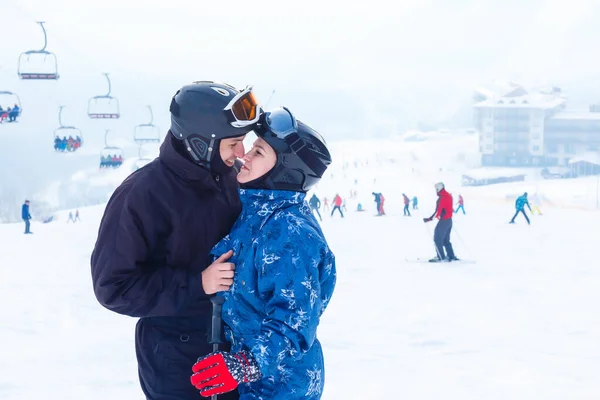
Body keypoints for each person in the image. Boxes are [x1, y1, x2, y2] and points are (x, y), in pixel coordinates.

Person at [90, 81, 261, 400]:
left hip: (233, 352)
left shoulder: (232, 177)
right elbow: (112, 287)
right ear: (201, 144)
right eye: (234, 143)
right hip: (177, 362)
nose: (241, 153)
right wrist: (198, 284)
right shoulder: (143, 195)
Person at [190, 107, 336, 399]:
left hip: (282, 385)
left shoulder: (289, 231)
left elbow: (295, 319)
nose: (245, 156)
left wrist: (245, 364)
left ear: (284, 169)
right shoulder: (257, 212)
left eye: (258, 152)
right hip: (257, 381)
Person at [423, 182, 457, 262]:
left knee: (437, 239)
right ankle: (451, 255)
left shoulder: (443, 197)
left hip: (444, 221)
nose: (436, 191)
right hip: (449, 221)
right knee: (445, 240)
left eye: (436, 189)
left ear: (438, 188)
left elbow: (438, 211)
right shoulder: (448, 196)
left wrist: (429, 219)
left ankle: (440, 256)